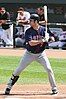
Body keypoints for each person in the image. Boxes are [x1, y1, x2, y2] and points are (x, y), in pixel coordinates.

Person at [4, 14, 58, 95]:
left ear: (36, 21)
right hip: (29, 54)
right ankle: (9, 86)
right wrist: (42, 40)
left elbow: (53, 38)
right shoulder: (28, 31)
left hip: (41, 54)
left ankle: (54, 88)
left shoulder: (44, 29)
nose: (29, 22)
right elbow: (31, 43)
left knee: (49, 69)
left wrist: (50, 38)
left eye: (31, 21)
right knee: (18, 70)